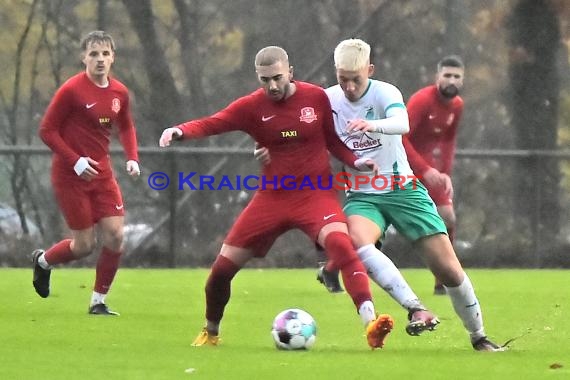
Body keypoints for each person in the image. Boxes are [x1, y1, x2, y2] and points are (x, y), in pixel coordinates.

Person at [256, 39, 504, 352]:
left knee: (450, 271)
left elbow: (402, 123)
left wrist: (371, 125)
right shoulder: (327, 99)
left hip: (404, 191)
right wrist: (270, 147)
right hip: (363, 195)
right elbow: (295, 129)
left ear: (369, 70)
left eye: (355, 79)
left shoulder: (385, 92)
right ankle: (416, 308)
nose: (348, 87)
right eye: (342, 78)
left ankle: (479, 336)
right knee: (356, 243)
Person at [159, 46, 394, 349]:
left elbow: (332, 140)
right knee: (220, 273)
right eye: (264, 79)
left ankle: (371, 324)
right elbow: (213, 122)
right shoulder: (252, 107)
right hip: (272, 198)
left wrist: (354, 160)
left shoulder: (315, 98)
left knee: (342, 246)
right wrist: (179, 131)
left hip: (315, 195)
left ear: (290, 72)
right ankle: (211, 331)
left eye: (277, 78)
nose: (271, 85)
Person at [32, 31, 141, 316]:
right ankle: (44, 261)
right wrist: (75, 161)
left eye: (105, 54)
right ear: (84, 58)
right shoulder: (71, 90)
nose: (100, 59)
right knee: (83, 246)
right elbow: (46, 131)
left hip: (102, 175)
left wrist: (132, 158)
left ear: (113, 57)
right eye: (93, 54)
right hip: (70, 176)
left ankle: (98, 301)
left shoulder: (120, 92)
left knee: (116, 235)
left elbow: (126, 126)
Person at [403, 55, 465, 295]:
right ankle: (339, 265)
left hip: (429, 169)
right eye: (447, 75)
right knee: (381, 225)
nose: (451, 80)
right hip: (405, 167)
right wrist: (424, 169)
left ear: (463, 79)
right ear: (437, 77)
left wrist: (444, 173)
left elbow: (448, 139)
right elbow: (400, 137)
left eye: (456, 76)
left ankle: (443, 280)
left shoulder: (457, 105)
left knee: (448, 217)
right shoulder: (421, 100)